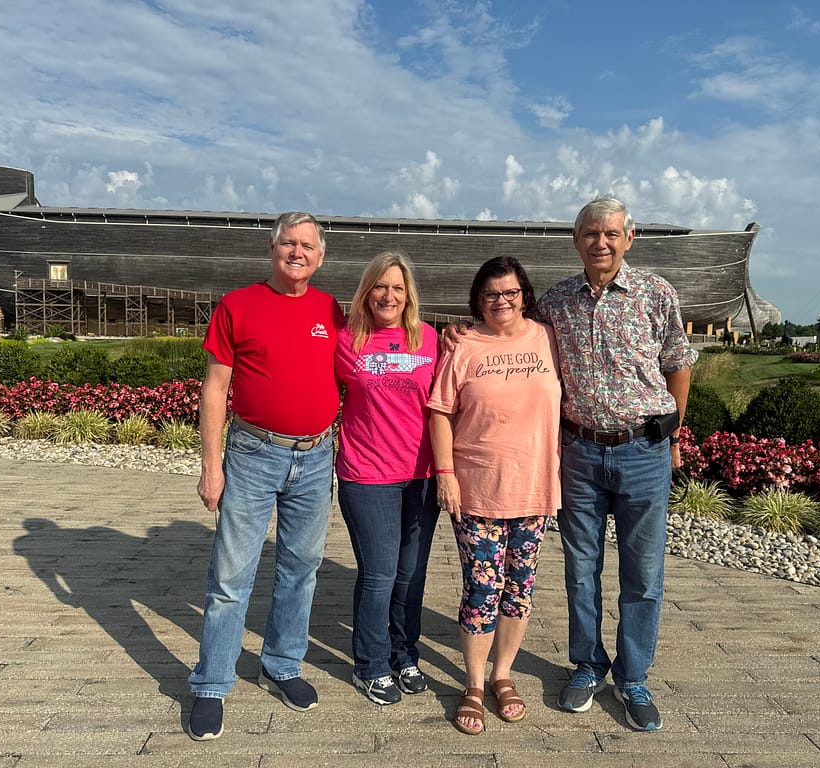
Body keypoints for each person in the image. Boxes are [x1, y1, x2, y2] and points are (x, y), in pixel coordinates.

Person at [187, 212, 345, 741]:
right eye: (288, 244)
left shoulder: (331, 309)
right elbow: (214, 388)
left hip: (316, 455)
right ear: (271, 248)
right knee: (232, 578)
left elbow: (379, 346)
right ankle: (211, 684)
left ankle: (281, 665)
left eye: (307, 246)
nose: (297, 252)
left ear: (320, 257)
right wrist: (212, 466)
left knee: (301, 570)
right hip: (253, 455)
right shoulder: (238, 305)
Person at [543, 195, 696, 731]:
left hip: (642, 451)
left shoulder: (657, 293)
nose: (600, 243)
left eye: (611, 234)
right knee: (581, 571)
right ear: (576, 240)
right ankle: (587, 666)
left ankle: (633, 678)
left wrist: (673, 434)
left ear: (629, 239)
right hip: (579, 451)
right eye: (590, 234)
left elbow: (678, 364)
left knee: (643, 573)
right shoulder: (556, 302)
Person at [428, 256, 561, 735]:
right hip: (478, 489)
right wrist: (445, 473)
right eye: (490, 295)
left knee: (519, 589)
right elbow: (440, 411)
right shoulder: (463, 345)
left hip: (535, 487)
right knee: (482, 589)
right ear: (477, 301)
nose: (501, 301)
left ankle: (504, 674)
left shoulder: (548, 337)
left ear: (524, 293)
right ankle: (475, 684)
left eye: (510, 292)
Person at [334, 251, 441, 706]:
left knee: (411, 575)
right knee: (379, 574)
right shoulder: (345, 340)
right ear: (367, 291)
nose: (389, 295)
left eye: (398, 288)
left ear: (408, 295)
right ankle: (371, 665)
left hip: (422, 476)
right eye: (380, 286)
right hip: (367, 475)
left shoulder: (430, 338)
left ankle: (404, 653)